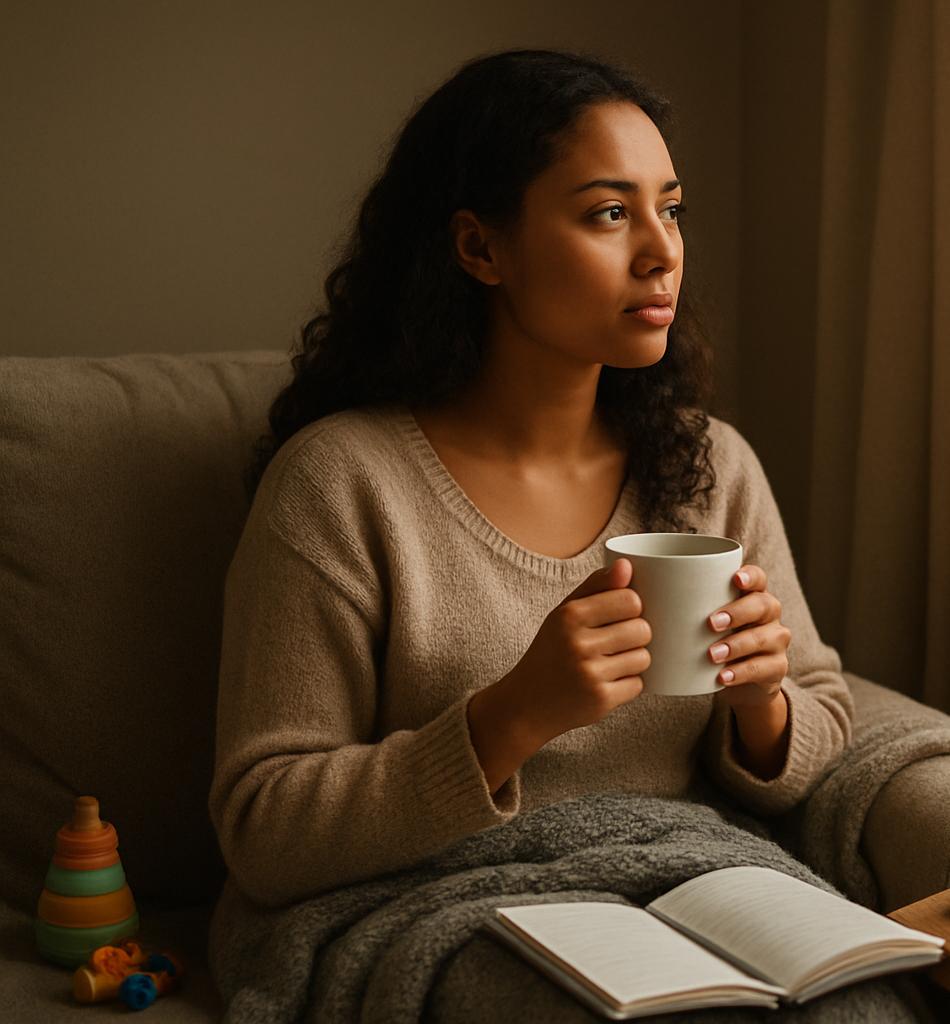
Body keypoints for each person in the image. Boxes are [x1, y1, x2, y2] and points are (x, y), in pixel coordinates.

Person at [207, 49, 854, 954]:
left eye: (670, 209)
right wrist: (511, 717)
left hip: (685, 884)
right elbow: (265, 830)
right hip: (436, 910)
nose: (663, 251)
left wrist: (763, 702)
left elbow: (823, 709)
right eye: (610, 214)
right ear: (480, 247)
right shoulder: (341, 485)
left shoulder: (710, 467)